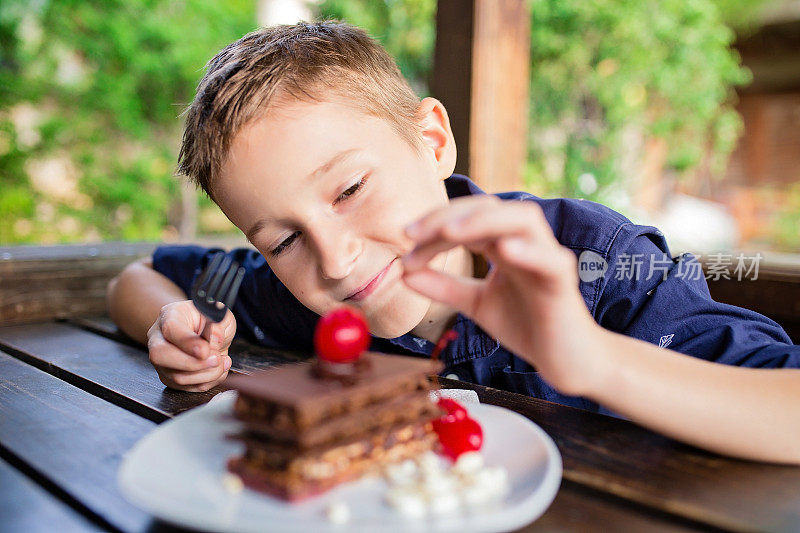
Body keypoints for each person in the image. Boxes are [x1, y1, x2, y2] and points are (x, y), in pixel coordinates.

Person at [106, 21, 800, 463]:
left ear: (432, 140)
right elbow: (137, 277)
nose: (336, 259)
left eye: (349, 190)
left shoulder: (595, 262)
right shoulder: (304, 296)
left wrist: (597, 361)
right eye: (282, 238)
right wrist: (176, 328)